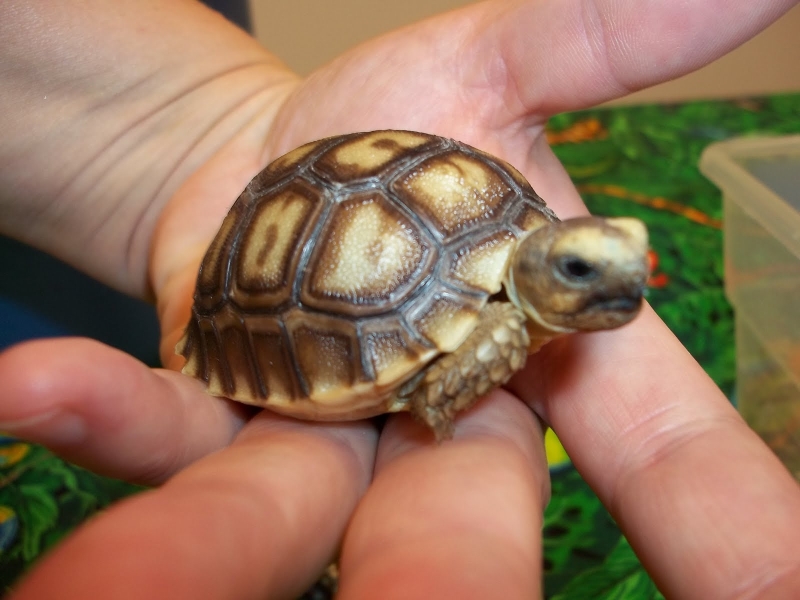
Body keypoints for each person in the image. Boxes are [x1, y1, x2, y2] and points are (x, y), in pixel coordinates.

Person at [2, 1, 799, 597]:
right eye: (581, 273)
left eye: (616, 262)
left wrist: (199, 122)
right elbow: (470, 348)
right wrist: (459, 375)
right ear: (538, 275)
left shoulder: (517, 240)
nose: (615, 282)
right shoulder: (499, 317)